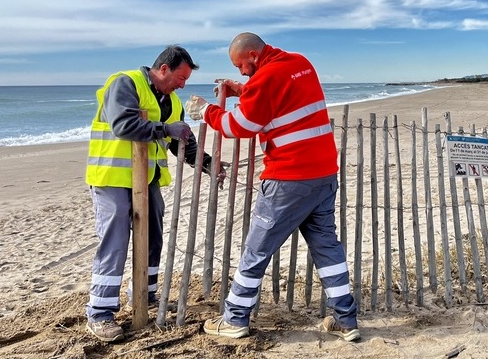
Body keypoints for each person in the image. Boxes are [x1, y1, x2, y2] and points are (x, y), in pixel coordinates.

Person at [185, 32, 360, 342]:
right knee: (326, 246)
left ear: (253, 56)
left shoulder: (265, 78)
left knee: (256, 249)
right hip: (324, 174)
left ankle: (235, 319)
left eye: (241, 65)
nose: (240, 71)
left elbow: (240, 126)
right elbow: (278, 97)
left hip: (289, 178)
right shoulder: (299, 63)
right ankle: (345, 320)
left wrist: (206, 110)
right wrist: (245, 88)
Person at [85, 45, 220, 342]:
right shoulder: (125, 82)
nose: (183, 85)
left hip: (148, 180)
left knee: (153, 237)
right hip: (111, 177)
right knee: (115, 241)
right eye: (180, 78)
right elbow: (123, 126)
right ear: (163, 69)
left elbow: (179, 141)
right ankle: (99, 312)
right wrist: (165, 129)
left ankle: (145, 296)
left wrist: (208, 163)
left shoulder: (171, 101)